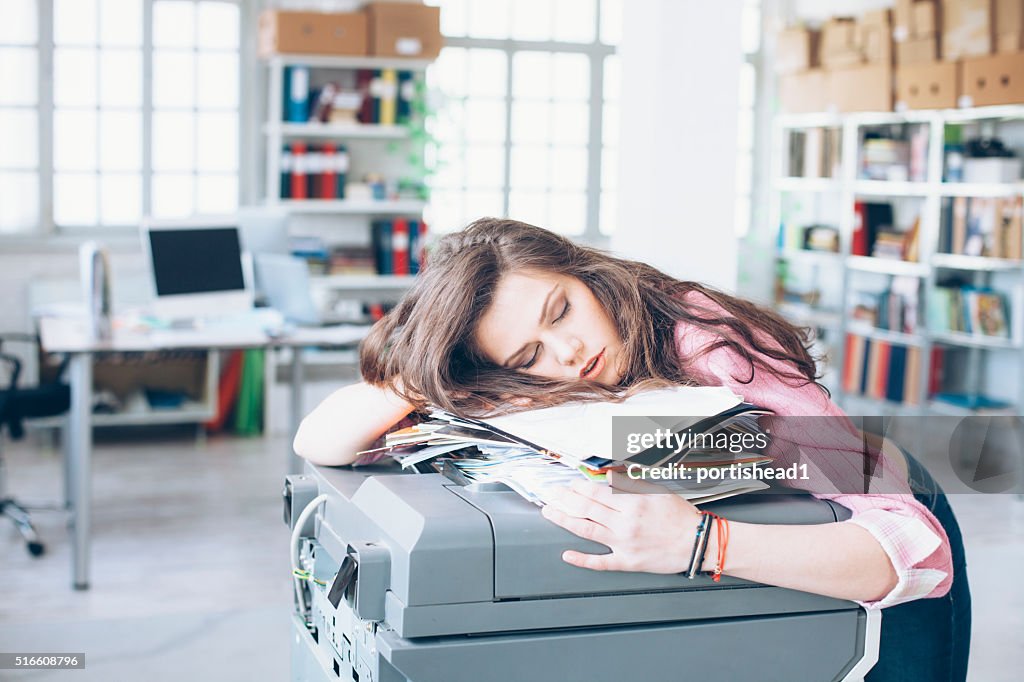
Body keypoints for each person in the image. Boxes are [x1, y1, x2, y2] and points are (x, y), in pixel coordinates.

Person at [294, 218, 970, 680]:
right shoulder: (517, 381)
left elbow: (918, 551)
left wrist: (702, 543)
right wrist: (429, 375)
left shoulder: (707, 343)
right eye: (530, 353)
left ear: (584, 271)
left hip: (874, 513)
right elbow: (320, 441)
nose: (569, 352)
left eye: (561, 310)